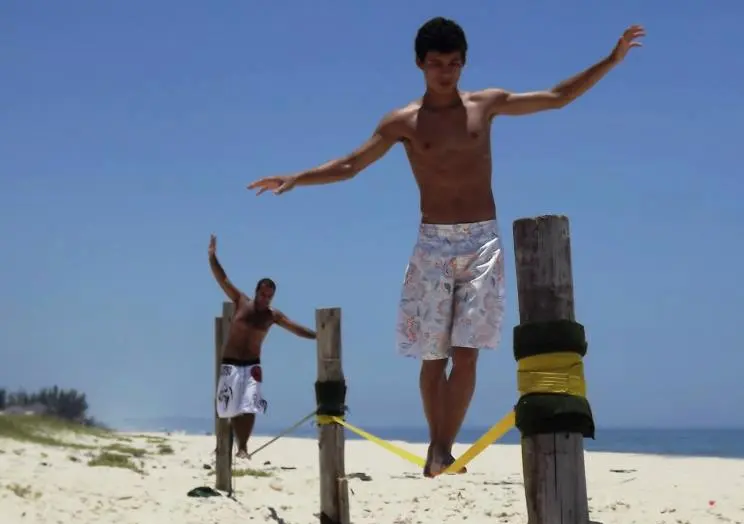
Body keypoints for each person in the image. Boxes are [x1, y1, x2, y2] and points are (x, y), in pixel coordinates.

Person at [247, 18, 645, 476]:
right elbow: (353, 164)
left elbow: (557, 97)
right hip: (433, 243)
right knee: (433, 357)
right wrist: (297, 178)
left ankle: (441, 450)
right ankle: (437, 450)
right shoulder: (404, 122)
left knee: (468, 352)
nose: (445, 72)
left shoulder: (486, 105)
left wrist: (611, 61)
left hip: (482, 242)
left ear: (464, 64)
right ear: (420, 64)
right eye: (436, 64)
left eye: (453, 64)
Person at [208, 234, 317, 459]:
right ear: (256, 291)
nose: (266, 299)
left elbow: (295, 328)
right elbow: (222, 279)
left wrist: (318, 336)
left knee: (250, 405)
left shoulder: (272, 316)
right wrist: (212, 256)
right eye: (263, 294)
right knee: (227, 409)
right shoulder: (241, 302)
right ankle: (225, 443)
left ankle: (243, 448)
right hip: (230, 363)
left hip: (252, 365)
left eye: (270, 296)